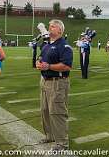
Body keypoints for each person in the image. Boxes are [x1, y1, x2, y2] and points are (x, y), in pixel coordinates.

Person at [36, 19, 73, 151]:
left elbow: (67, 66)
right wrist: (39, 63)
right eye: (49, 26)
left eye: (53, 27)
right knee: (45, 111)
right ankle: (50, 135)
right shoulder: (46, 45)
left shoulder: (64, 46)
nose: (50, 28)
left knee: (57, 112)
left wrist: (49, 66)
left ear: (60, 30)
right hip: (45, 81)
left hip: (57, 82)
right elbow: (41, 58)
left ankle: (62, 143)